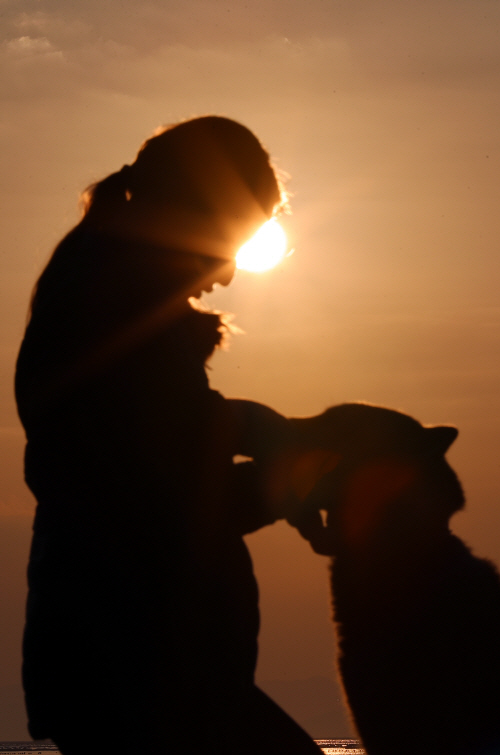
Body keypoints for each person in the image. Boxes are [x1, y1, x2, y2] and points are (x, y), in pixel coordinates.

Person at [16, 116, 323, 754]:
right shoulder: (116, 312)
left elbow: (180, 437)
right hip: (140, 677)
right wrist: (295, 480)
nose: (232, 275)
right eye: (232, 240)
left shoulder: (102, 299)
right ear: (186, 213)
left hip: (140, 675)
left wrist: (272, 440)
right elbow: (166, 500)